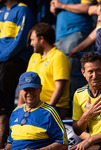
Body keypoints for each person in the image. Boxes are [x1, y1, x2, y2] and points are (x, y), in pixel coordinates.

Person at [17, 23, 70, 119]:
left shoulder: (59, 57)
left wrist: (48, 110)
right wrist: (19, 109)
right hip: (34, 106)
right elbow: (24, 84)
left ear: (41, 39)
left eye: (32, 40)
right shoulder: (34, 56)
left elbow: (59, 87)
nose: (31, 44)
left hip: (55, 108)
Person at [0, 0, 34, 148]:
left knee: (4, 102)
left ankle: (5, 136)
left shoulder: (23, 10)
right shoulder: (1, 11)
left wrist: (1, 57)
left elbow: (20, 41)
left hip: (15, 60)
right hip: (2, 59)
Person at [4, 72, 68, 150]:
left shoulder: (49, 112)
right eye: (26, 89)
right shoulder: (15, 112)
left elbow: (63, 144)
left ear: (40, 88)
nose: (29, 93)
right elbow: (10, 142)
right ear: (20, 90)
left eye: (33, 89)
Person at [50, 0, 93, 94]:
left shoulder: (62, 4)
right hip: (59, 37)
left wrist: (62, 5)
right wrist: (53, 8)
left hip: (76, 33)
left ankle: (78, 105)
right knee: (59, 76)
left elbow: (87, 7)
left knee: (75, 78)